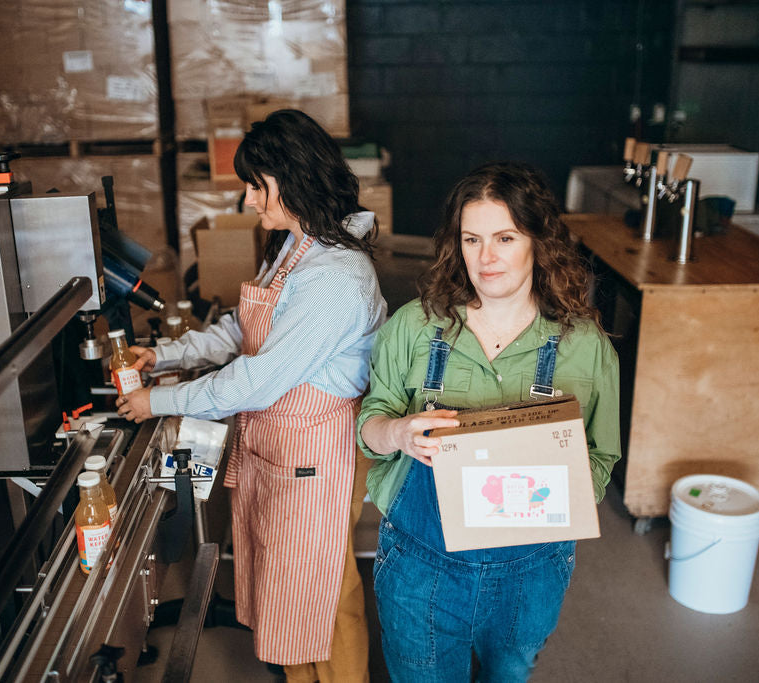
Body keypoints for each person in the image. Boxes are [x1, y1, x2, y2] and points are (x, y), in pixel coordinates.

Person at [116, 109, 386, 682]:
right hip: (283, 448)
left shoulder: (337, 277)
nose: (248, 200)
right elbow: (244, 327)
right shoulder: (295, 246)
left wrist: (158, 402)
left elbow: (254, 380)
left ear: (296, 178)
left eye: (257, 185)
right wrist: (166, 356)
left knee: (327, 598)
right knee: (290, 593)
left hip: (318, 455)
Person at [357, 162, 620, 682]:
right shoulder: (413, 326)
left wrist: (551, 495)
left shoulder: (584, 346)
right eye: (472, 239)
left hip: (532, 573)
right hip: (421, 568)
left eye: (504, 237)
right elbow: (370, 425)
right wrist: (399, 433)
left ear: (537, 241)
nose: (486, 257)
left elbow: (602, 455)